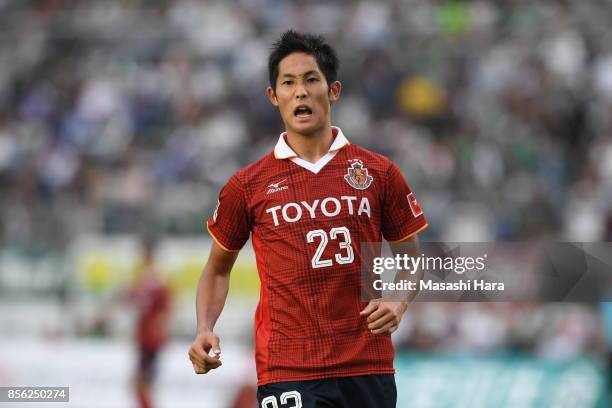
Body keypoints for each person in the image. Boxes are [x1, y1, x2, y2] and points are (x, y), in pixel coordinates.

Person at [188, 30, 428, 408]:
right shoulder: (247, 185)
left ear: (333, 90)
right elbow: (218, 269)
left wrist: (397, 301)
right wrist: (204, 328)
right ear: (274, 96)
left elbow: (412, 257)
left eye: (310, 80)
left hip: (368, 365)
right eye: (288, 83)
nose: (300, 92)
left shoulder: (378, 172)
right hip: (289, 369)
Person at [129, 236, 172, 408]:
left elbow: (167, 307)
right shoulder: (141, 277)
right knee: (141, 384)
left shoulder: (158, 279)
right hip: (144, 337)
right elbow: (131, 299)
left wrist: (160, 326)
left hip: (151, 340)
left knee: (142, 384)